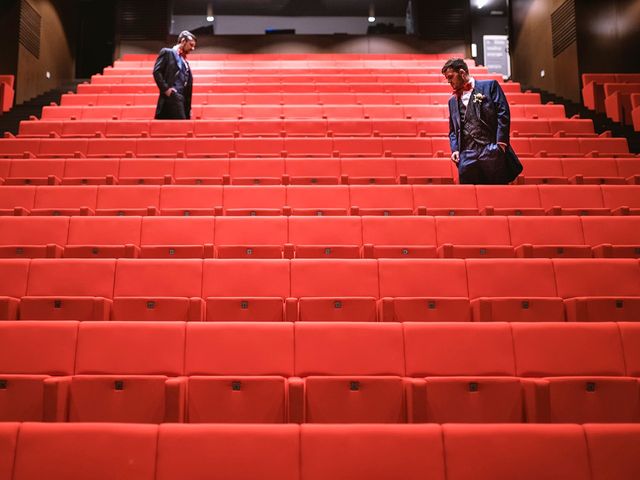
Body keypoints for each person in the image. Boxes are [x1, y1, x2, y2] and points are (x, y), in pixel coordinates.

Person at [442, 58, 522, 184]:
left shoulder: (490, 86)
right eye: (447, 78)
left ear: (462, 73)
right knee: (469, 196)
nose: (449, 81)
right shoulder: (452, 101)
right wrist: (455, 150)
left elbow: (503, 114)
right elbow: (453, 130)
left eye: (451, 77)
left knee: (497, 193)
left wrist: (500, 144)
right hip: (467, 155)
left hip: (491, 150)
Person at [153, 31, 196, 120]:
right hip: (172, 96)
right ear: (183, 41)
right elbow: (157, 72)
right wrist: (166, 89)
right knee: (182, 128)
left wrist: (188, 107)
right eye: (191, 45)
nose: (193, 48)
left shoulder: (185, 61)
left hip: (182, 99)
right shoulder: (167, 52)